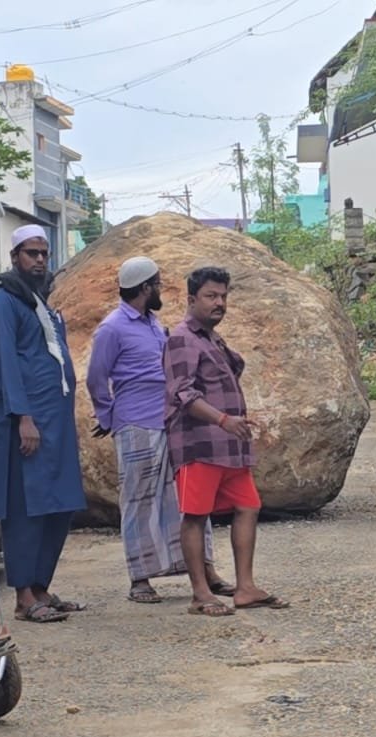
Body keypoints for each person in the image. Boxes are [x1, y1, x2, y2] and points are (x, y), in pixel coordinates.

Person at [86, 256, 230, 604]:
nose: (162, 289)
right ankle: (140, 578)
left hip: (170, 420)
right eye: (158, 284)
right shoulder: (112, 327)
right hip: (135, 423)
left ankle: (206, 570)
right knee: (138, 500)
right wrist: (107, 416)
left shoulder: (154, 323)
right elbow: (96, 378)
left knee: (188, 498)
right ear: (145, 287)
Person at [0, 224, 87, 623]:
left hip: (53, 423)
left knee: (58, 506)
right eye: (30, 253)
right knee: (26, 508)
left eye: (43, 253)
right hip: (22, 423)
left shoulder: (39, 303)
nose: (39, 260)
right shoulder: (2, 301)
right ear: (14, 258)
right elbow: (4, 363)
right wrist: (23, 418)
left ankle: (41, 587)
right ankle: (24, 596)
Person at [164, 266, 284, 618]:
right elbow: (182, 393)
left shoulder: (211, 338)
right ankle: (201, 594)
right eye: (211, 296)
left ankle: (245, 587)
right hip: (199, 445)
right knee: (195, 517)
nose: (220, 303)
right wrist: (222, 419)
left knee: (249, 506)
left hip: (230, 446)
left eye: (223, 296)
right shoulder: (182, 338)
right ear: (191, 300)